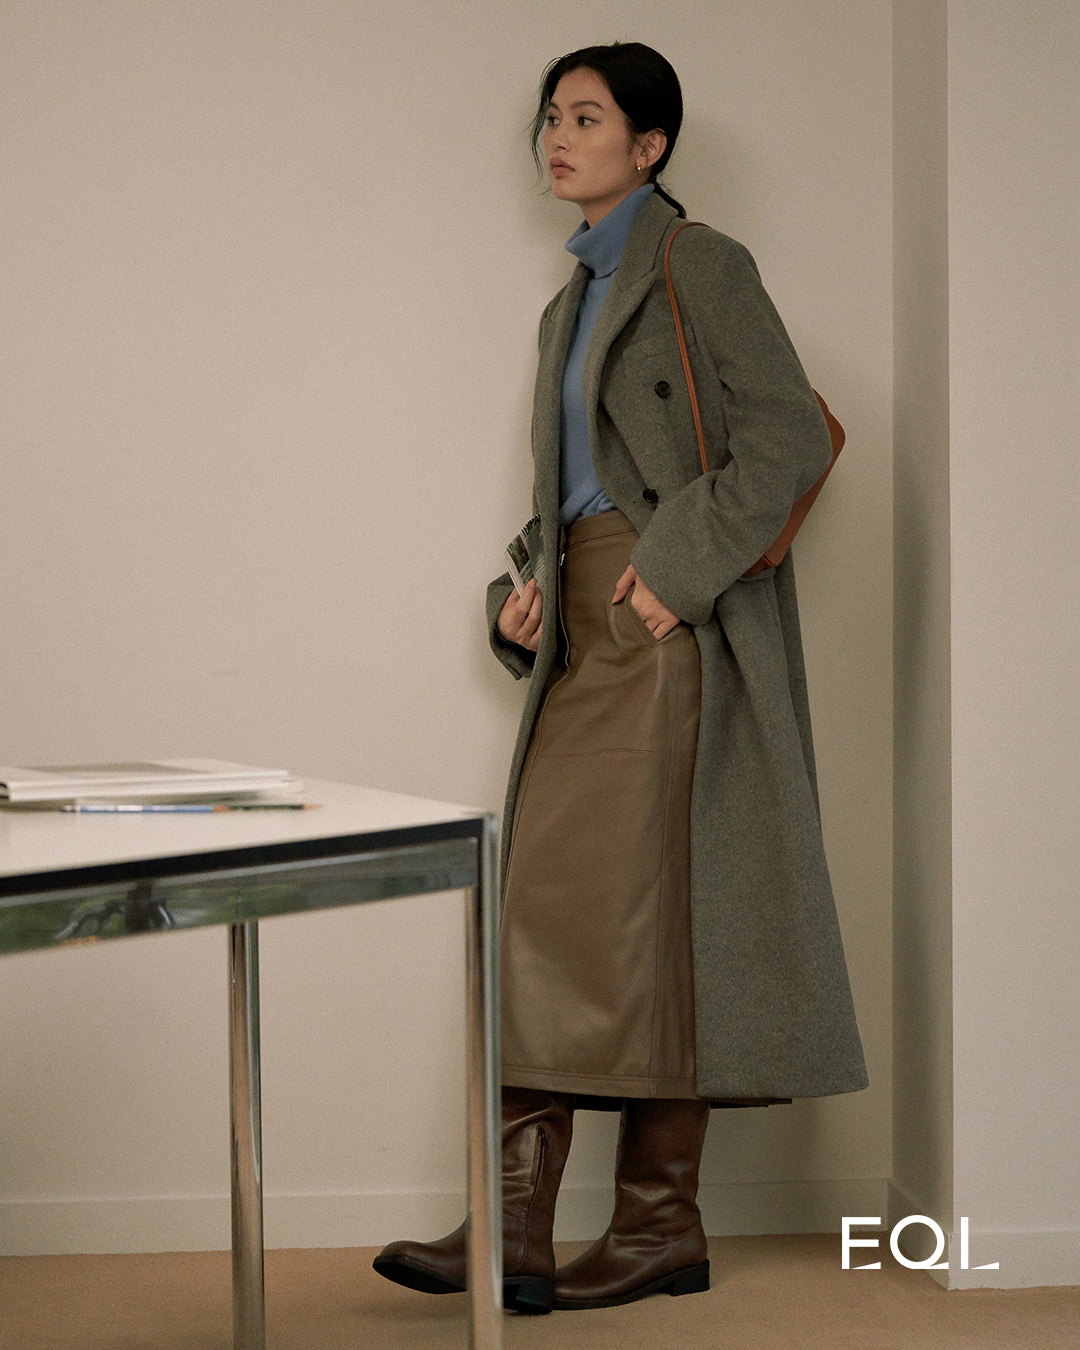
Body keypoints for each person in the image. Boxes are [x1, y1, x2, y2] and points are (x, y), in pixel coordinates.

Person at [374, 41, 866, 1315]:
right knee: (564, 914)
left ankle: (629, 1222)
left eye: (586, 117)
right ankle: (559, 1228)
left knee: (630, 922)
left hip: (666, 634)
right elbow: (581, 487)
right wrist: (525, 589)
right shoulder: (568, 302)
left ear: (650, 145)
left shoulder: (700, 263)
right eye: (551, 116)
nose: (558, 135)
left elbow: (789, 437)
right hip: (587, 627)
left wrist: (670, 576)